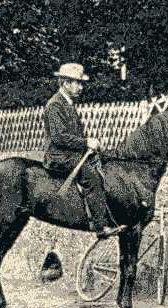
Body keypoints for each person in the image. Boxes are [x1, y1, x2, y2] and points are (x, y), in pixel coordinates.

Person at [41, 62, 121, 237]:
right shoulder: (55, 105)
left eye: (81, 83)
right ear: (65, 83)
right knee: (90, 176)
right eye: (77, 83)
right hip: (58, 156)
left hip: (70, 153)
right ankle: (100, 226)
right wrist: (86, 143)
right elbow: (59, 137)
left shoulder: (67, 103)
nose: (80, 87)